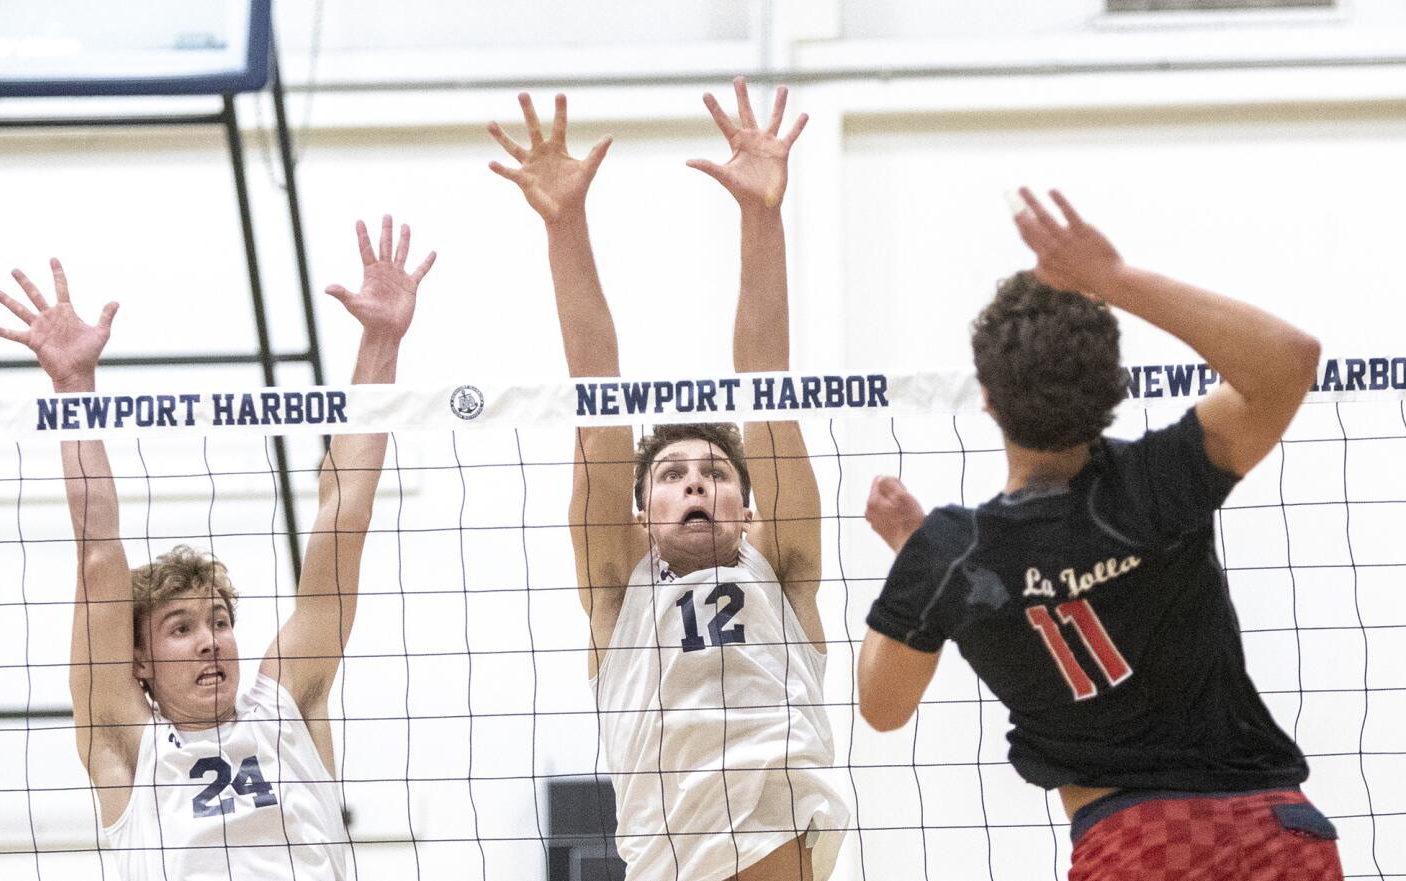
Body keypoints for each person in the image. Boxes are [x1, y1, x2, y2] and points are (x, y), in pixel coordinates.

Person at [857, 187, 1343, 880]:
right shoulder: (1156, 480)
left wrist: (918, 560)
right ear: (1112, 385)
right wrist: (1114, 279)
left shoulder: (951, 556)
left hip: (1139, 846)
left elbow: (881, 708)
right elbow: (1290, 358)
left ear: (988, 400)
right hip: (1275, 830)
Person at [0, 218, 436, 880]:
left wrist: (380, 341)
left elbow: (346, 516)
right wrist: (74, 392)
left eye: (219, 623)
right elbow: (98, 554)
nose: (210, 641)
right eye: (182, 627)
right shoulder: (126, 743)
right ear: (138, 659)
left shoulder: (284, 700)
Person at [488, 78, 848, 881]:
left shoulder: (781, 570)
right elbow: (598, 394)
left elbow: (767, 379)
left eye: (716, 472)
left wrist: (763, 216)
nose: (694, 485)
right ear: (641, 510)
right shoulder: (617, 590)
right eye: (672, 474)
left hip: (780, 838)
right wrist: (565, 225)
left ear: (749, 507)